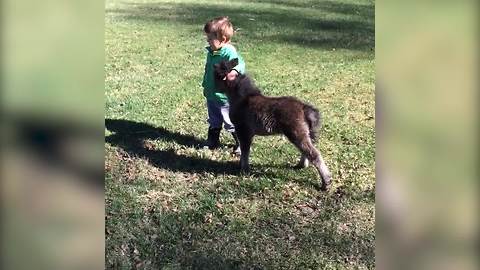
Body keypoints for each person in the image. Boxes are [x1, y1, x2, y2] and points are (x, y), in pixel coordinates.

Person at [202, 16, 245, 154]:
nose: (207, 41)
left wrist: (234, 71)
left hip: (224, 97)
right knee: (214, 120)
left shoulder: (228, 52)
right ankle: (213, 141)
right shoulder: (212, 51)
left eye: (210, 38)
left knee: (230, 122)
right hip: (211, 94)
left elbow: (240, 64)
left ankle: (241, 143)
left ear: (223, 40)